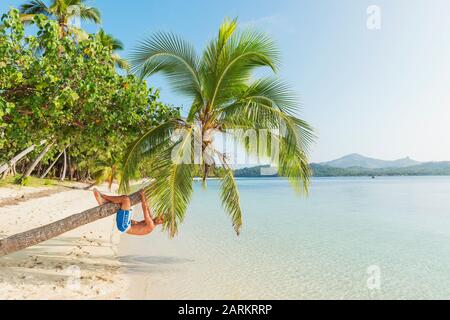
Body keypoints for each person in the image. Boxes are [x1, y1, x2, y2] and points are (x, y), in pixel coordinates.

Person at [93, 189, 164, 236]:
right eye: (160, 216)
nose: (159, 218)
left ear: (161, 223)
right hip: (126, 224)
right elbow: (148, 208)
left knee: (125, 200)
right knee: (124, 198)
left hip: (125, 226)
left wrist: (142, 195)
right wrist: (146, 197)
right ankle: (105, 202)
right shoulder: (151, 220)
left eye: (161, 219)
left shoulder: (151, 224)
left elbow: (145, 209)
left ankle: (103, 197)